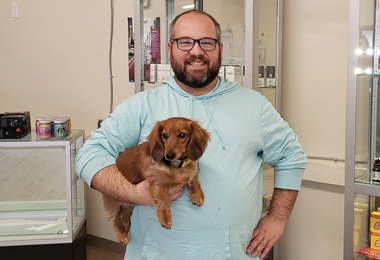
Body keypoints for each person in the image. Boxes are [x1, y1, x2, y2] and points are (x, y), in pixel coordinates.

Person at [75, 10, 307, 260]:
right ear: (169, 48)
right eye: (185, 42)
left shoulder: (254, 106)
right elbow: (88, 156)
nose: (196, 51)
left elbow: (292, 157)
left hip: (234, 254)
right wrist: (132, 193)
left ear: (219, 48)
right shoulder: (141, 106)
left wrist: (277, 218)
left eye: (206, 42)